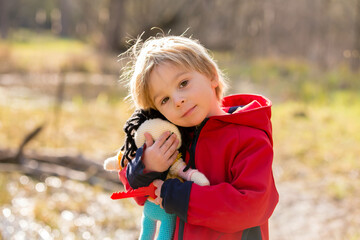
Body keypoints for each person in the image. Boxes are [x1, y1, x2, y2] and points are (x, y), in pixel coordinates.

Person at [119, 34, 279, 240]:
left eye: (183, 83)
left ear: (212, 76)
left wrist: (179, 197)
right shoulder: (171, 138)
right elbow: (139, 195)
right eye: (164, 99)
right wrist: (146, 165)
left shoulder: (247, 136)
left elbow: (252, 207)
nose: (178, 100)